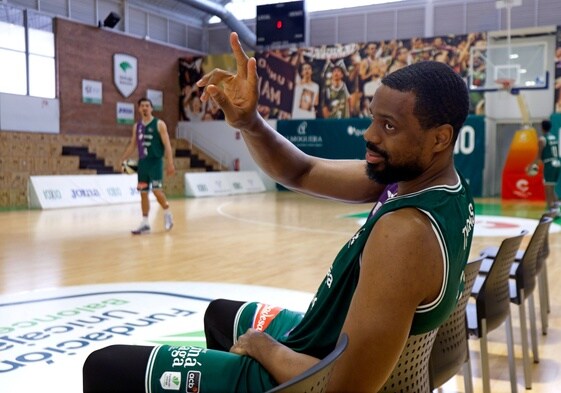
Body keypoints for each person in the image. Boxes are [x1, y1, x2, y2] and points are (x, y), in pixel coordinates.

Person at [83, 33, 474, 392]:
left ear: (440, 137)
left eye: (388, 125)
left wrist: (263, 347)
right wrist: (250, 123)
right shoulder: (432, 186)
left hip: (312, 373)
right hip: (326, 340)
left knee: (106, 366)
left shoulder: (406, 233)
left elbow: (341, 388)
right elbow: (301, 171)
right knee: (220, 315)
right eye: (372, 117)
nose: (370, 135)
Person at [120, 97, 176, 235]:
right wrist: (123, 158)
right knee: (143, 193)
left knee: (157, 192)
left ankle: (167, 211)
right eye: (142, 106)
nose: (145, 108)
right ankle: (145, 223)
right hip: (142, 164)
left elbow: (167, 145)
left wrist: (170, 163)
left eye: (147, 105)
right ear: (139, 109)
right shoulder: (137, 126)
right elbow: (133, 144)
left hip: (155, 162)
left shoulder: (159, 124)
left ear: (151, 108)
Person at [529, 119, 560, 213]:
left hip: (549, 164)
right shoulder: (553, 137)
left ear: (542, 127)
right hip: (557, 163)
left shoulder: (542, 139)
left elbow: (538, 156)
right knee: (551, 188)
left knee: (548, 190)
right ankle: (556, 209)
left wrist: (531, 166)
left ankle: (552, 210)